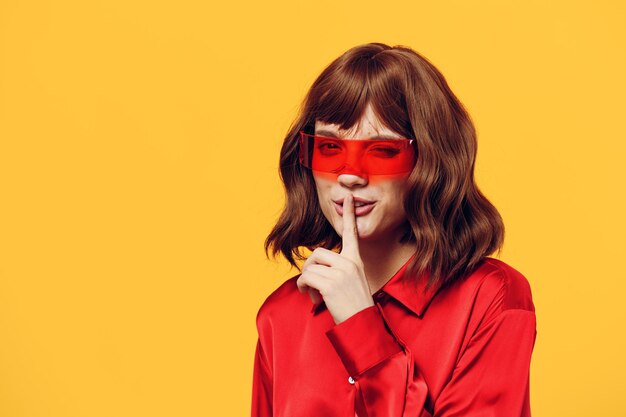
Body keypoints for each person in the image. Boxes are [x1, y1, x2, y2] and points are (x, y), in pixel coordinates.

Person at [252, 42, 537, 417]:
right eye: (330, 147)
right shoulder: (281, 315)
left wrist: (360, 326)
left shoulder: (492, 300)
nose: (350, 176)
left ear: (431, 162)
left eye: (382, 151)